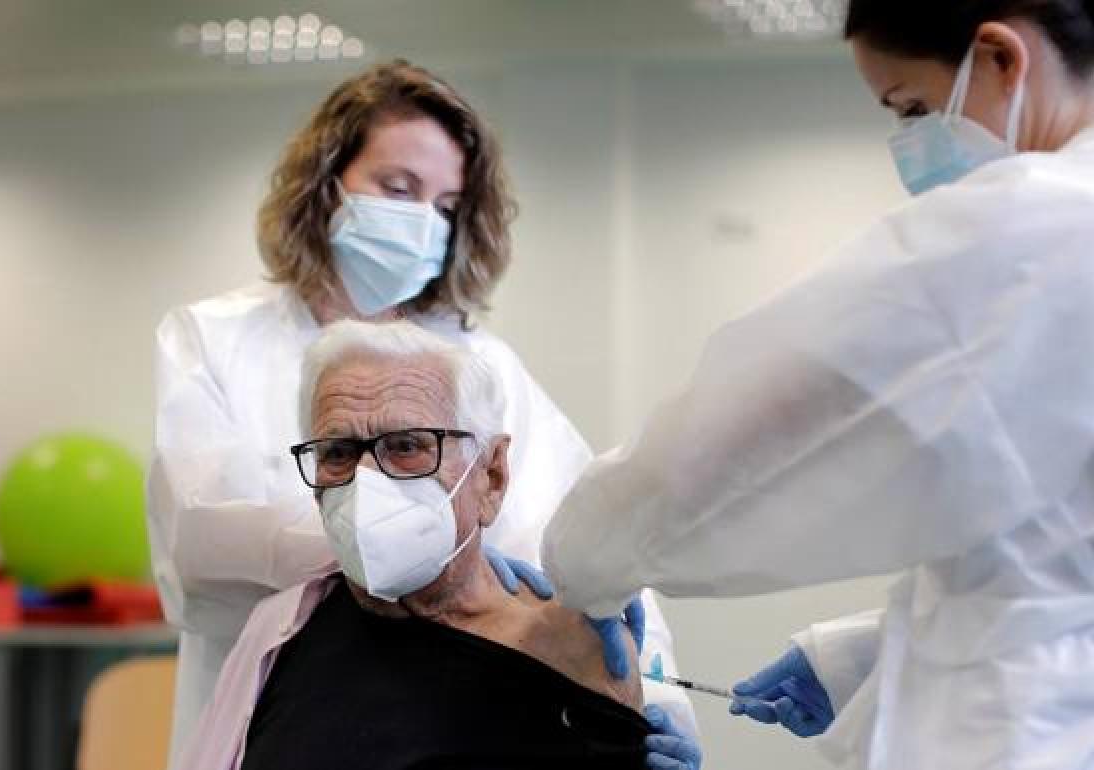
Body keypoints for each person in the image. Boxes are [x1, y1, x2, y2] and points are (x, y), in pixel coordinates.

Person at [542, 1, 1094, 768]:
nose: (910, 141)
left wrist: (583, 564)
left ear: (1001, 57)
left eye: (911, 107)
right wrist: (856, 657)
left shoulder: (1036, 222)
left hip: (1026, 741)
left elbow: (738, 445)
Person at [147, 60, 696, 768]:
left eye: (445, 205)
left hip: (456, 720)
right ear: (326, 184)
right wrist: (399, 538)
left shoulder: (479, 363)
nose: (421, 222)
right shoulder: (216, 340)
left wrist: (661, 700)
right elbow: (198, 543)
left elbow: (585, 544)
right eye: (398, 188)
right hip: (282, 707)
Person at [180, 320, 689, 770]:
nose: (365, 480)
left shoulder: (572, 649)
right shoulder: (282, 633)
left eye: (407, 445)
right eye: (337, 452)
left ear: (491, 476)